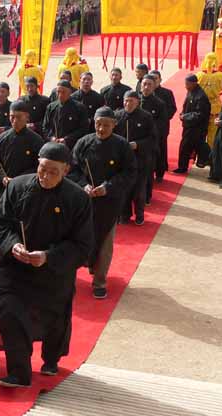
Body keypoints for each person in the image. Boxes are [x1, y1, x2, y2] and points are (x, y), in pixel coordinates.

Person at [0, 142, 94, 387]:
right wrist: (12, 245)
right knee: (9, 313)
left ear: (66, 170)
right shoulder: (17, 187)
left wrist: (48, 256)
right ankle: (19, 373)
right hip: (16, 268)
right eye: (42, 169)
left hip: (53, 272)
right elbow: (0, 223)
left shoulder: (78, 199)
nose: (45, 176)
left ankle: (51, 359)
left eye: (53, 172)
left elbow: (83, 244)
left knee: (54, 319)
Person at [69, 106, 137, 299]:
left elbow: (130, 173)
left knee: (105, 243)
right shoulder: (83, 142)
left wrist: (108, 187)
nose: (101, 129)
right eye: (98, 124)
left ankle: (99, 281)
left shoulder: (122, 146)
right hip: (84, 203)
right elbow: (72, 169)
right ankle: (69, 278)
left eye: (106, 125)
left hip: (109, 203)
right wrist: (83, 185)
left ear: (114, 125)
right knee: (75, 239)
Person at [114, 91, 157, 226]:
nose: (128, 104)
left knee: (139, 191)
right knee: (123, 190)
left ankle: (139, 214)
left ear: (138, 102)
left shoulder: (146, 117)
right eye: (126, 101)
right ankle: (125, 215)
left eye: (131, 101)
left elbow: (153, 139)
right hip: (122, 161)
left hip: (140, 160)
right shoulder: (117, 116)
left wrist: (138, 144)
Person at [0, 101, 44, 198]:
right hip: (5, 188)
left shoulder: (36, 140)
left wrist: (19, 180)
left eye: (19, 117)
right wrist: (2, 178)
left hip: (27, 188)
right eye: (12, 117)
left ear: (27, 117)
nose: (15, 120)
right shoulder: (1, 139)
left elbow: (39, 165)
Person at [174, 74, 212, 173]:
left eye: (187, 84)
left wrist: (185, 117)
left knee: (186, 147)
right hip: (189, 125)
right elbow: (186, 106)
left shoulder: (201, 97)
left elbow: (200, 114)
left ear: (194, 83)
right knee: (191, 146)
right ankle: (185, 166)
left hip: (196, 128)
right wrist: (183, 114)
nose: (185, 86)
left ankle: (184, 167)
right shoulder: (191, 91)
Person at [139, 75, 166, 203]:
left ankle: (147, 196)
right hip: (134, 142)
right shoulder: (135, 100)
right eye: (144, 84)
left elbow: (161, 125)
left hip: (149, 144)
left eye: (149, 84)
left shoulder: (159, 104)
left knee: (147, 172)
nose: (146, 87)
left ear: (154, 86)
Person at [42, 80, 89, 150]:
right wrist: (51, 138)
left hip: (72, 146)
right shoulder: (51, 107)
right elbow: (45, 127)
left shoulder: (79, 108)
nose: (60, 95)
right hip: (53, 145)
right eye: (58, 92)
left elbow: (83, 129)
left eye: (63, 92)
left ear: (70, 92)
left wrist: (67, 139)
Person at [150, 70, 177, 181]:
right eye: (152, 78)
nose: (154, 81)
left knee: (161, 150)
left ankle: (160, 173)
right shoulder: (145, 93)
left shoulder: (167, 93)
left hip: (161, 128)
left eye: (156, 78)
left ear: (160, 79)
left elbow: (172, 109)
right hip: (146, 128)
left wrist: (162, 119)